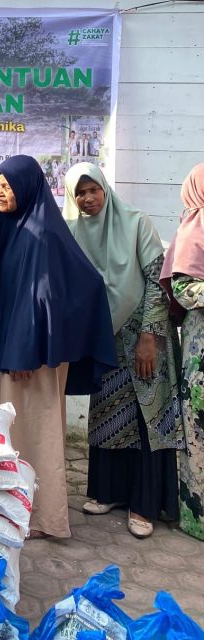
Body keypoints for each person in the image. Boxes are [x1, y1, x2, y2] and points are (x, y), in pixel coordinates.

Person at [0, 155, 117, 539]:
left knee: (35, 436)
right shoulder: (12, 226)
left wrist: (24, 351)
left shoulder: (42, 233)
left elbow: (43, 297)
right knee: (15, 435)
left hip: (31, 358)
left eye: (7, 186)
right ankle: (13, 511)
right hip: (13, 350)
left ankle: (42, 519)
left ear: (26, 187)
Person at [63, 162, 183, 538]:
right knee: (110, 412)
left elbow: (155, 282)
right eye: (80, 193)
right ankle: (109, 491)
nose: (87, 199)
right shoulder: (72, 231)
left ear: (105, 188)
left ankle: (144, 504)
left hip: (145, 333)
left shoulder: (135, 222)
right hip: (105, 336)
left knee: (147, 417)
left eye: (93, 190)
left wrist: (149, 337)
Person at [160, 163, 204, 541]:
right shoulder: (193, 229)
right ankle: (196, 517)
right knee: (198, 430)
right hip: (200, 347)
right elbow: (182, 288)